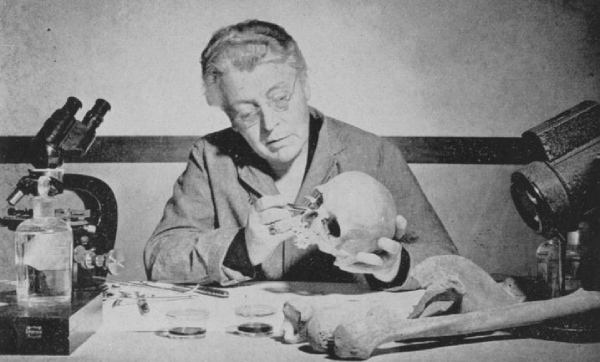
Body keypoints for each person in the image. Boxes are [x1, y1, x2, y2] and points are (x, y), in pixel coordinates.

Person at [144, 19, 458, 289]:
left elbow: (448, 261)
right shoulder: (209, 158)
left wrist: (396, 268)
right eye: (247, 114)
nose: (271, 124)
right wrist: (243, 246)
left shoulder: (374, 153)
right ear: (229, 117)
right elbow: (160, 258)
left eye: (281, 98)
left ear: (305, 84)